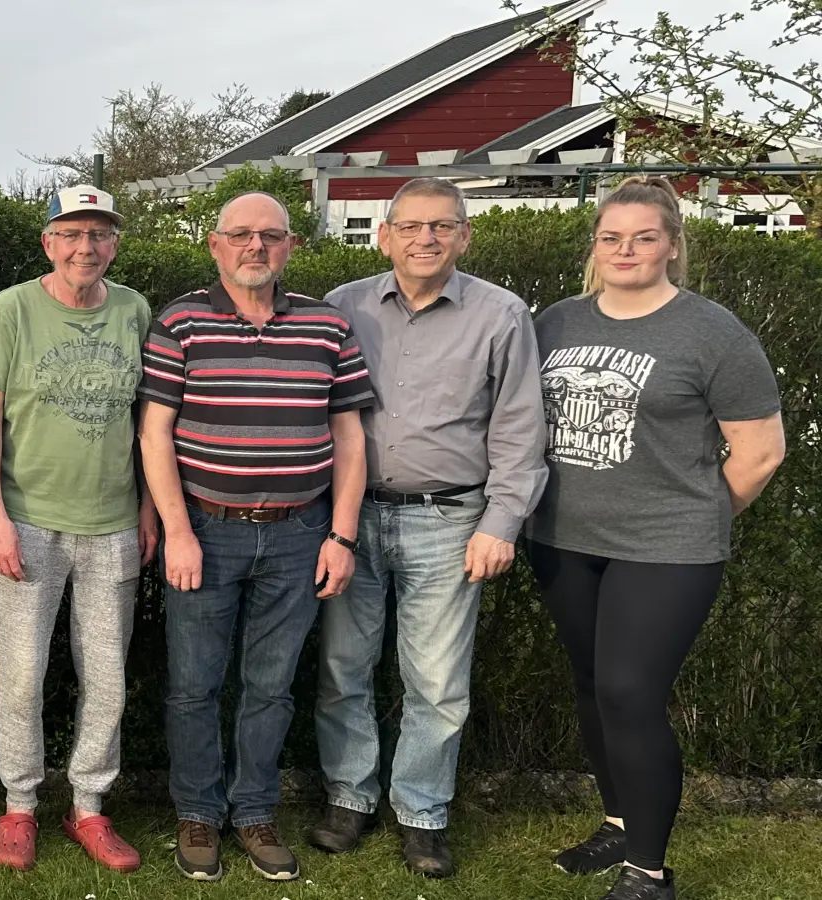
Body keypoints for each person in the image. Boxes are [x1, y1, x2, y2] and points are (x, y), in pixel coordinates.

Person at [529, 176, 784, 900]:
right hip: (564, 538)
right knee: (592, 688)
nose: (625, 250)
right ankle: (618, 824)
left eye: (643, 237)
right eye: (612, 237)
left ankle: (649, 871)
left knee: (630, 692)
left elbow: (761, 453)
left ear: (671, 244)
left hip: (667, 549)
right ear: (596, 246)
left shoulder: (711, 332)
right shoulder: (557, 323)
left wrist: (691, 518)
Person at [139, 192, 375, 882]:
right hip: (205, 532)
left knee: (270, 687)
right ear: (215, 246)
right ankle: (197, 812)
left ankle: (254, 811)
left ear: (292, 247)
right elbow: (154, 434)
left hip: (301, 532)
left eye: (270, 236)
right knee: (193, 686)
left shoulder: (327, 327)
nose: (255, 247)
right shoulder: (180, 322)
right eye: (240, 235)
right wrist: (178, 531)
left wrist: (342, 534)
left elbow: (349, 438)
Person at [315, 177, 547, 877]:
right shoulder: (343, 307)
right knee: (342, 667)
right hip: (351, 515)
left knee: (438, 679)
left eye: (442, 227)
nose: (426, 239)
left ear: (465, 236)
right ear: (384, 235)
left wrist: (501, 521)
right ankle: (349, 797)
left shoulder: (501, 316)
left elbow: (518, 430)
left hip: (450, 519)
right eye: (411, 226)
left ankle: (422, 812)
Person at [0, 184, 157, 874]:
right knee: (20, 676)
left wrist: (147, 506)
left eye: (100, 234)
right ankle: (19, 805)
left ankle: (88, 807)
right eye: (72, 234)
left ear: (114, 243)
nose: (86, 247)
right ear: (48, 241)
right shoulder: (12, 309)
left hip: (111, 525)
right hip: (27, 520)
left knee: (106, 677)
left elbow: (147, 420)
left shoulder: (134, 310)